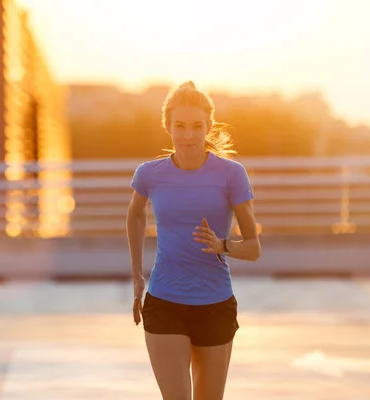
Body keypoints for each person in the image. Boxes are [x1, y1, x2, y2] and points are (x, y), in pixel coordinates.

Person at [126, 80, 261, 400]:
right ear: (167, 126)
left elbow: (254, 247)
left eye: (197, 126)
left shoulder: (231, 174)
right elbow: (134, 215)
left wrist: (223, 245)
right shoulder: (149, 174)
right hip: (164, 302)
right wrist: (136, 275)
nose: (188, 135)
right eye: (180, 126)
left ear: (208, 127)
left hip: (215, 305)